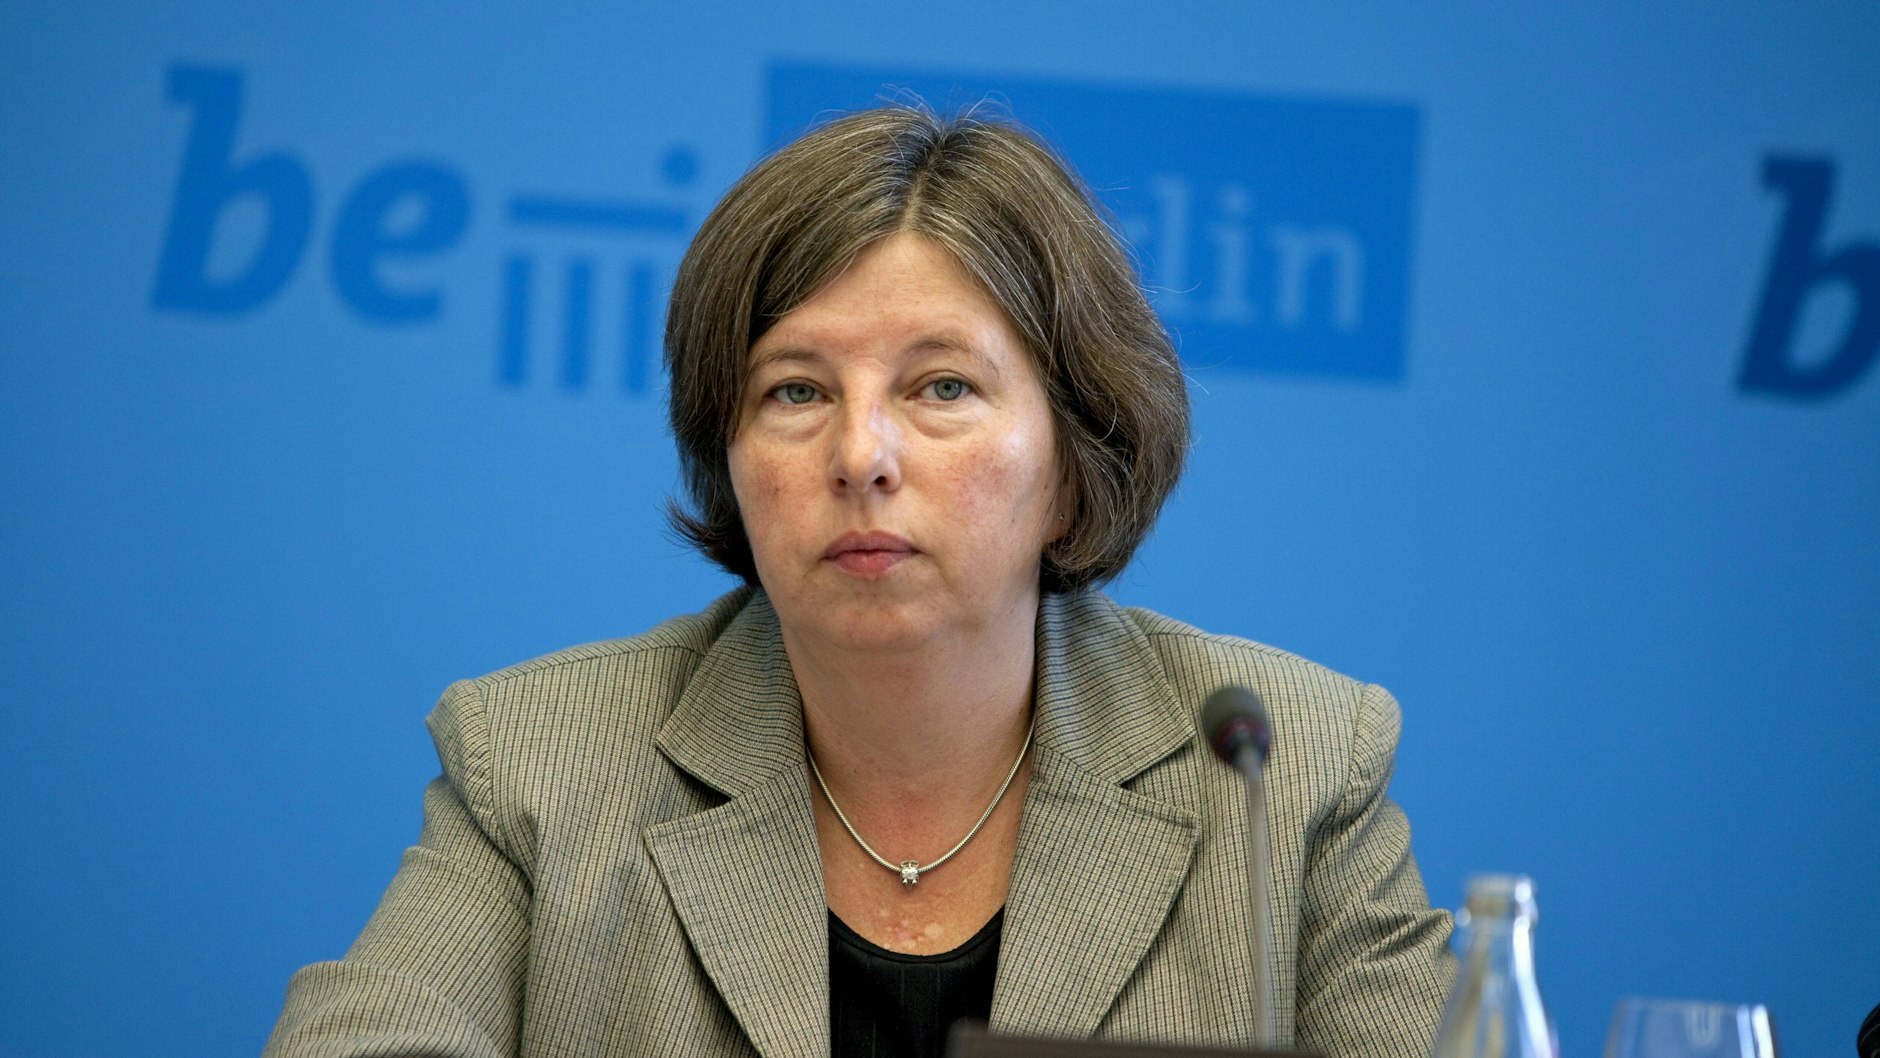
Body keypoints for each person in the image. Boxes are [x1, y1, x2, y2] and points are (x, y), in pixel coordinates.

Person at [264, 104, 1454, 1058]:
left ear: (1070, 463)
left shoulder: (1280, 773)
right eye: (795, 390)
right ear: (729, 457)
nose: (860, 455)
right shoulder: (542, 763)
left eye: (941, 387)